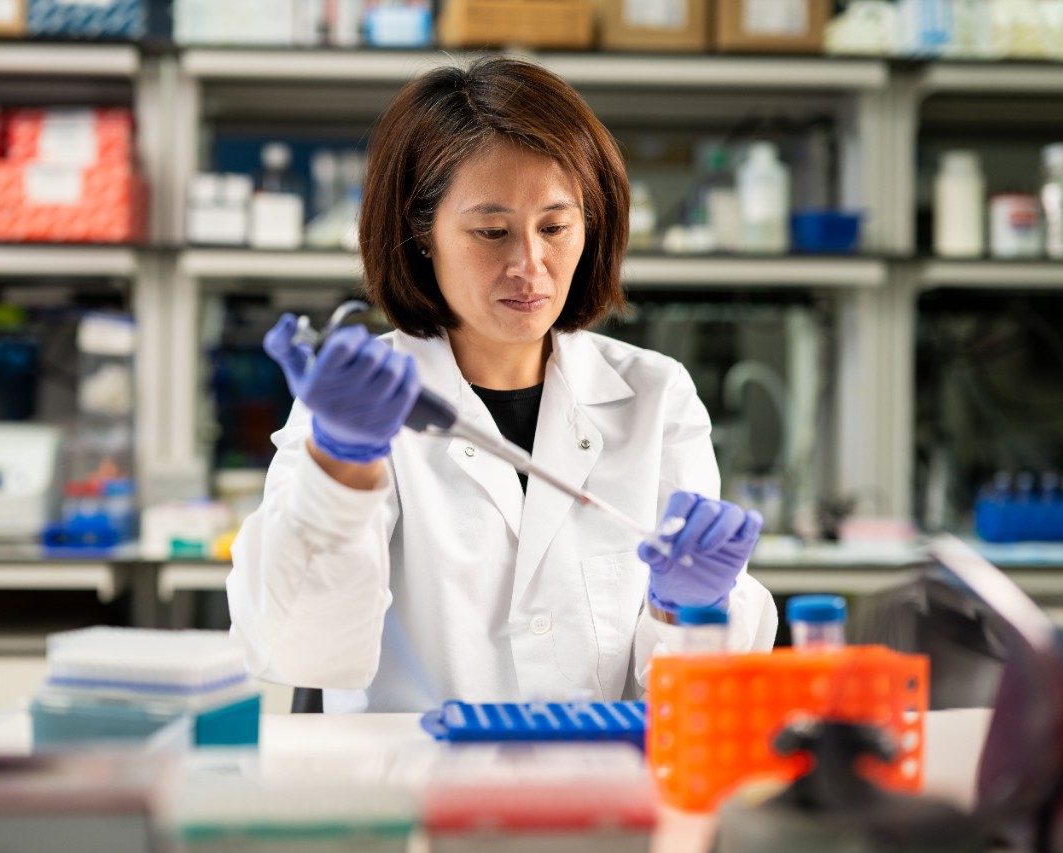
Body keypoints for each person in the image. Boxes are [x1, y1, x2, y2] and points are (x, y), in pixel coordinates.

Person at [228, 57, 777, 713]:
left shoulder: (657, 397)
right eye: (491, 231)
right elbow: (298, 649)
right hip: (415, 794)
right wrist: (339, 468)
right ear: (422, 234)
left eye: (554, 226)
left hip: (601, 794)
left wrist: (690, 613)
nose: (529, 265)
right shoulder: (359, 405)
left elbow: (700, 702)